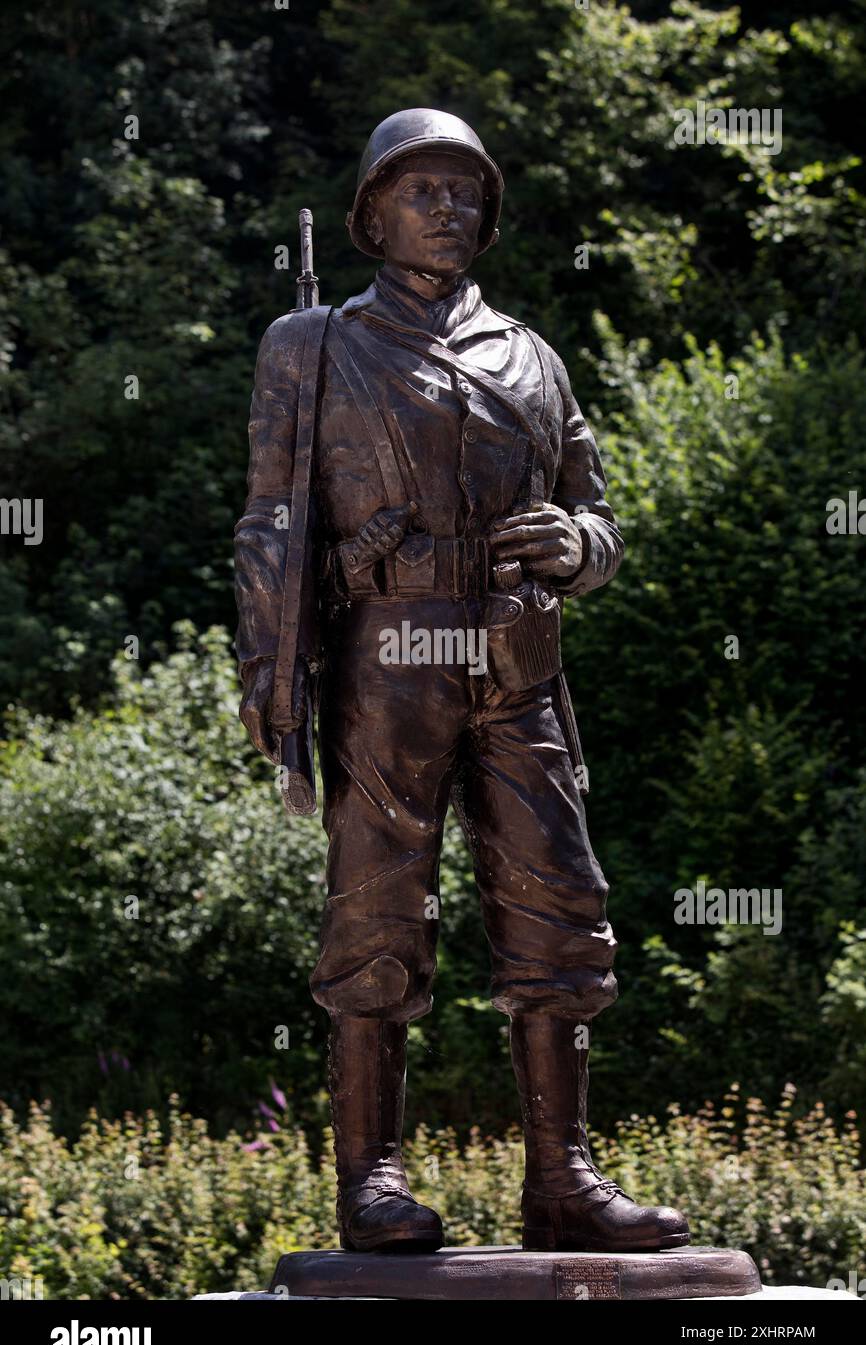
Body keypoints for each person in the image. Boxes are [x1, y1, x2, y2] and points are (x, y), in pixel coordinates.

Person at [234, 108, 689, 1255]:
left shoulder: (532, 356)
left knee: (562, 911)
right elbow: (269, 524)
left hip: (518, 658)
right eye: (421, 189)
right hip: (387, 656)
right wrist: (266, 675)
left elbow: (598, 511)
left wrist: (578, 547)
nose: (449, 208)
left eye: (465, 191)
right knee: (375, 911)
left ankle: (563, 1179)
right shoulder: (314, 344)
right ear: (371, 212)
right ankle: (370, 1179)